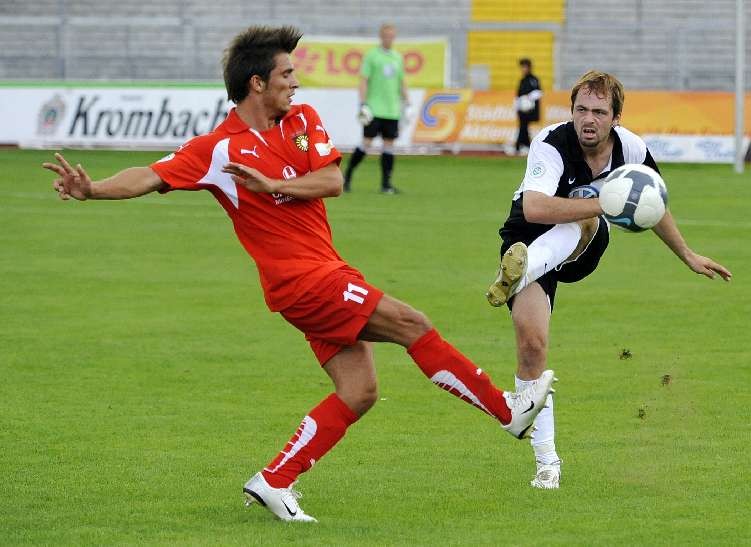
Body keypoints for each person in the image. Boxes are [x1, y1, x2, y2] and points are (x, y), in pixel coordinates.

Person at [43, 25, 556, 523]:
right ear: (257, 84)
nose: (296, 82)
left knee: (359, 392)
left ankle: (275, 480)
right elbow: (149, 176)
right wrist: (93, 189)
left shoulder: (303, 120)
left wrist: (268, 184)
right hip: (303, 284)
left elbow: (332, 180)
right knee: (412, 324)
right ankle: (506, 412)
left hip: (326, 273)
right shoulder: (218, 149)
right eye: (287, 74)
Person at [486, 70, 731, 490]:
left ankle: (520, 271)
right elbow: (533, 208)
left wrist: (687, 254)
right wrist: (607, 200)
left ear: (616, 117)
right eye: (581, 109)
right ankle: (547, 464)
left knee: (587, 216)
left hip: (585, 242)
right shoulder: (551, 141)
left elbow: (653, 203)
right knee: (531, 347)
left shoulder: (632, 147)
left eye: (599, 112)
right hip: (527, 239)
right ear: (572, 111)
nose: (588, 119)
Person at [342, 23, 408, 194]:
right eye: (386, 35)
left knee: (389, 146)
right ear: (381, 36)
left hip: (392, 110)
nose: (389, 38)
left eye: (391, 35)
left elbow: (401, 81)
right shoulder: (372, 56)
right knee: (366, 143)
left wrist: (408, 102)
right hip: (375, 108)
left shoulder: (397, 57)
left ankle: (386, 184)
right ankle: (347, 176)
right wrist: (363, 103)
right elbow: (364, 80)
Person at [514, 58, 542, 155]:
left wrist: (528, 97)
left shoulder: (533, 79)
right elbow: (518, 95)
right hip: (522, 109)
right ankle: (525, 146)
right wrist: (517, 105)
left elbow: (538, 92)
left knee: (523, 127)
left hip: (530, 109)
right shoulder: (522, 80)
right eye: (522, 67)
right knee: (523, 127)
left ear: (529, 67)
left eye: (525, 67)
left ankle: (520, 146)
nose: (523, 69)